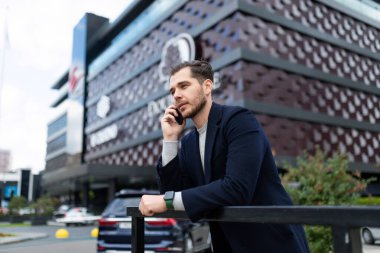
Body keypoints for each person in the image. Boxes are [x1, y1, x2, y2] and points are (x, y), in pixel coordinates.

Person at [139, 60, 310, 253]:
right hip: (227, 245)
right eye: (172, 91)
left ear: (207, 86)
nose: (176, 95)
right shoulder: (188, 143)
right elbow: (174, 195)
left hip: (271, 243)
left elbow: (237, 187)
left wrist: (166, 201)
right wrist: (170, 139)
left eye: (184, 86)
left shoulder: (238, 120)